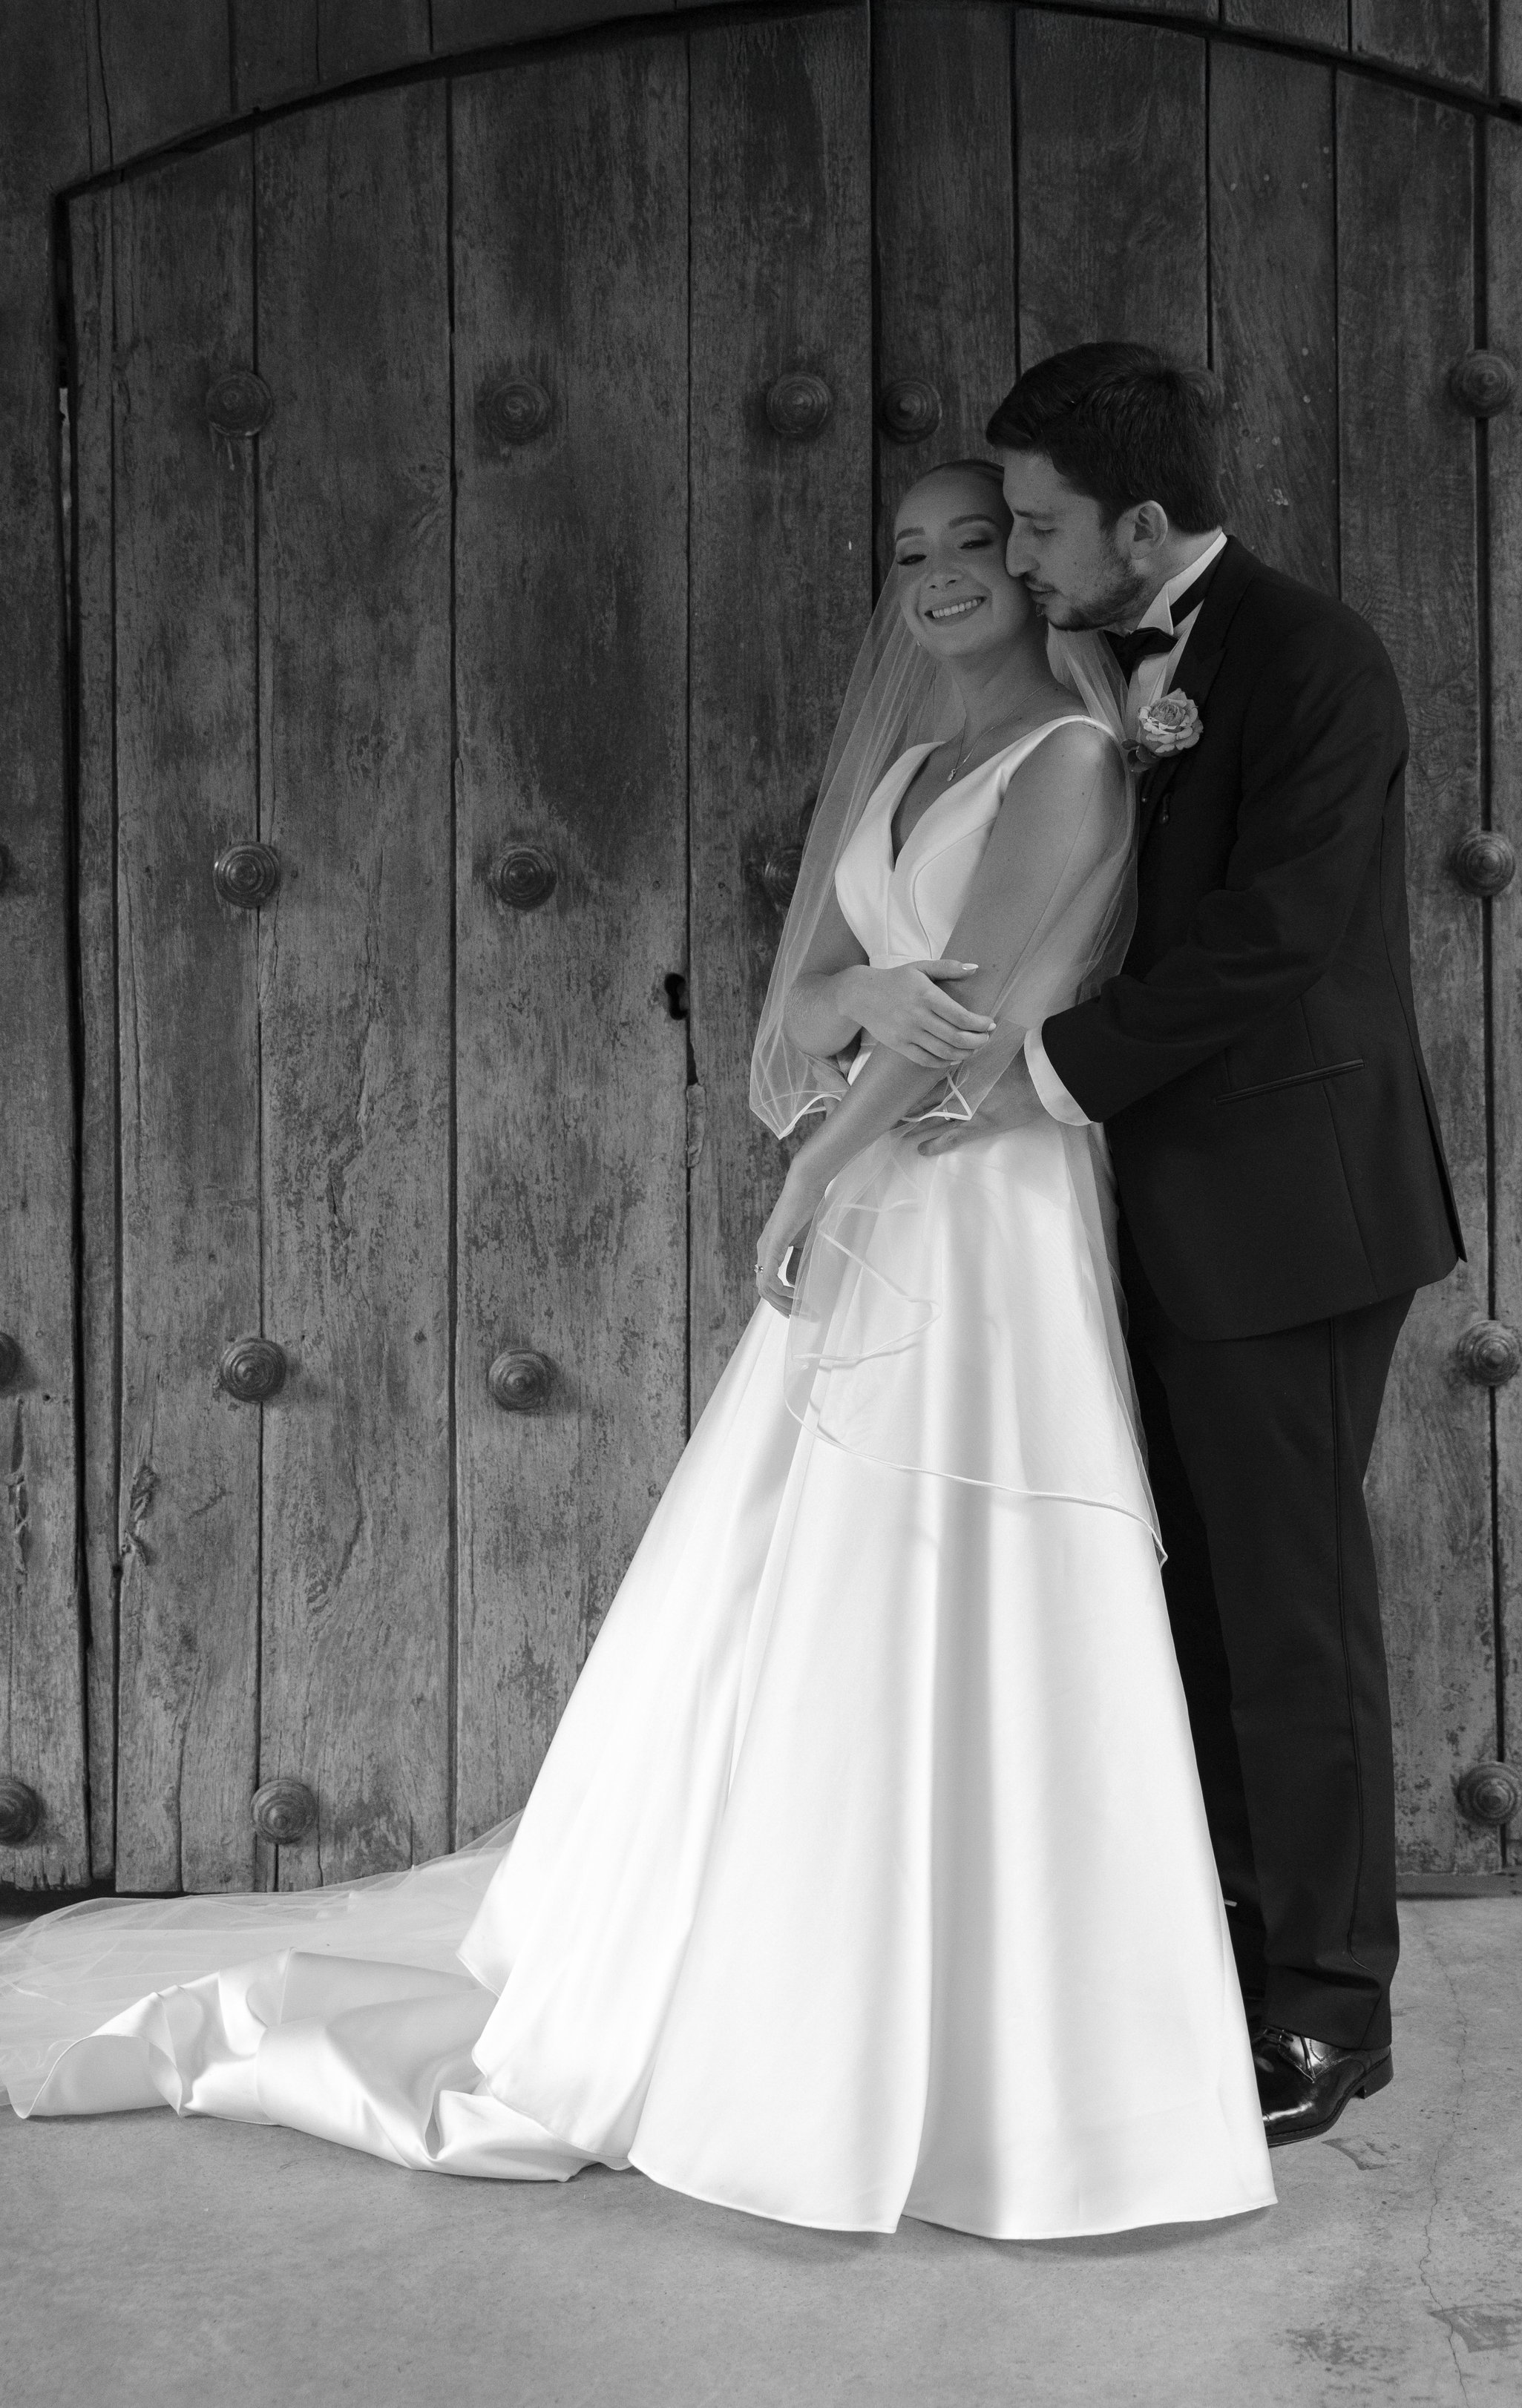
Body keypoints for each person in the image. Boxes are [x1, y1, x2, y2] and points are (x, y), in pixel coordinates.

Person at [0, 458, 1274, 2240]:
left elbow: (966, 1021)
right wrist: (837, 1036)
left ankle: (1013, 2069)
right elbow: (827, 993)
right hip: (879, 1192)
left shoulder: (1067, 766)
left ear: (1037, 573)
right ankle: (790, 1992)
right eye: (906, 553)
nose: (934, 580)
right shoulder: (907, 768)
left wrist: (808, 1172)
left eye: (974, 546)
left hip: (981, 1214)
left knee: (959, 1564)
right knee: (810, 1577)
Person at [922, 345, 1465, 2144]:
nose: (1019, 555)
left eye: (1044, 524)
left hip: (1288, 1214)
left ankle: (1325, 2011)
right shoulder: (1093, 665)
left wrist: (1040, 1074)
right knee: (1178, 1604)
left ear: (1142, 521)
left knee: (1286, 1612)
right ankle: (1206, 1957)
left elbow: (1271, 943)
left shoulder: (1315, 663)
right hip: (1120, 1210)